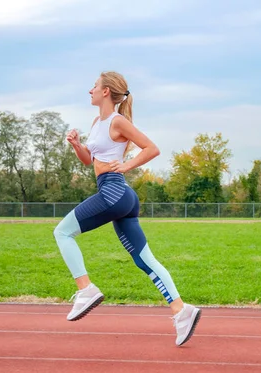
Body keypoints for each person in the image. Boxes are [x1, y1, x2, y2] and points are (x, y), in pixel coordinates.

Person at [53, 71, 202, 346]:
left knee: (62, 233)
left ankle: (86, 289)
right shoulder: (98, 121)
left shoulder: (118, 120)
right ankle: (182, 310)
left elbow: (151, 148)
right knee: (144, 260)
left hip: (114, 191)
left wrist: (126, 166)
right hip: (119, 195)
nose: (90, 90)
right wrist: (76, 145)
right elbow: (90, 161)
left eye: (94, 86)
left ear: (106, 91)